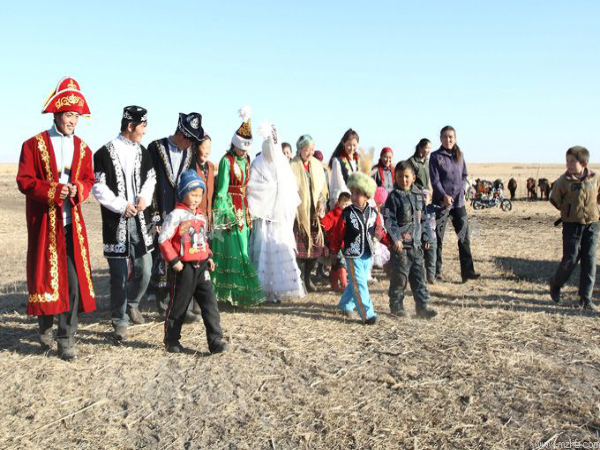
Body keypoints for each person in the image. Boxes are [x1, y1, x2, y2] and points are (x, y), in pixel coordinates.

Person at [16, 76, 96, 360]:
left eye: (77, 116)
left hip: (71, 225)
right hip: (45, 225)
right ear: (57, 113)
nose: (73, 121)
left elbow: (89, 179)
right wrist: (53, 190)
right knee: (47, 279)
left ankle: (66, 339)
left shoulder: (84, 149)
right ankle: (45, 323)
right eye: (69, 115)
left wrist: (78, 189)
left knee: (72, 282)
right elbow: (24, 180)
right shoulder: (32, 145)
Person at [92, 106, 156, 341]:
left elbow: (150, 179)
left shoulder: (143, 153)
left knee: (145, 268)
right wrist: (120, 205)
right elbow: (98, 187)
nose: (144, 131)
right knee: (118, 274)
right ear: (130, 126)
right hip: (115, 222)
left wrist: (144, 198)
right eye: (143, 126)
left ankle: (133, 303)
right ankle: (119, 319)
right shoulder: (102, 154)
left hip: (140, 221)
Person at [158, 170, 228, 353]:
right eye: (193, 194)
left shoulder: (201, 216)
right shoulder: (176, 215)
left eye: (199, 195)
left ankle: (216, 341)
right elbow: (163, 239)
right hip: (184, 268)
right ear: (183, 193)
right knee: (178, 306)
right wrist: (173, 260)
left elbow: (203, 240)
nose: (197, 199)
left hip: (201, 267)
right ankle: (172, 340)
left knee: (210, 304)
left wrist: (209, 256)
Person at [147, 112, 204, 318]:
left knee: (183, 252)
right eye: (189, 139)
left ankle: (181, 305)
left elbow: (191, 182)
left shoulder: (190, 153)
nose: (191, 144)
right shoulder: (155, 148)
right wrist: (155, 216)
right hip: (161, 209)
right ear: (180, 133)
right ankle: (165, 306)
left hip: (182, 212)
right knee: (163, 256)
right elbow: (149, 183)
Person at [211, 106, 265, 305]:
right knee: (233, 251)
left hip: (244, 209)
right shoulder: (226, 161)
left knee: (243, 250)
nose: (244, 151)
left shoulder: (247, 160)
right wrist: (225, 214)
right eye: (241, 147)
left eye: (246, 148)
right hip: (230, 209)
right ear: (234, 144)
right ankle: (227, 294)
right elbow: (221, 191)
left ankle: (241, 293)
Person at [247, 122, 305, 303]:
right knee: (264, 250)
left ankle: (280, 290)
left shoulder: (283, 165)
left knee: (279, 250)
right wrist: (269, 192)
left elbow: (290, 189)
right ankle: (263, 289)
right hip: (265, 218)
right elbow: (252, 188)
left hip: (280, 220)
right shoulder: (257, 163)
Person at [383, 161, 437, 319]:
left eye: (406, 176)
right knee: (399, 279)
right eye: (400, 176)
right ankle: (396, 306)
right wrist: (396, 238)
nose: (403, 180)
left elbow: (424, 218)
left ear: (413, 177)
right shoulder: (393, 197)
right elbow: (389, 220)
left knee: (419, 278)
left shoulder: (419, 195)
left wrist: (426, 236)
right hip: (401, 248)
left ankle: (423, 307)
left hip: (417, 246)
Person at [329, 172, 385, 324]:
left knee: (358, 282)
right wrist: (333, 250)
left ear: (367, 195)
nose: (353, 196)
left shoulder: (373, 213)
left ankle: (345, 305)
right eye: (352, 192)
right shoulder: (346, 213)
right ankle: (367, 314)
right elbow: (338, 234)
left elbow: (379, 231)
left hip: (367, 254)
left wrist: (390, 242)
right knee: (359, 283)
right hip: (352, 255)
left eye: (357, 193)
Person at [549, 146, 600, 311]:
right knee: (570, 259)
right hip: (572, 226)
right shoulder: (563, 181)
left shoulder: (595, 178)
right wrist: (568, 211)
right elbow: (554, 199)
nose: (569, 164)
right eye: (567, 161)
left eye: (573, 161)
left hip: (592, 225)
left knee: (590, 261)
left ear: (584, 163)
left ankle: (585, 299)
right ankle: (556, 283)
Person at [430, 126, 480, 283]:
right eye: (445, 137)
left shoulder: (459, 155)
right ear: (440, 139)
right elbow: (435, 180)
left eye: (450, 137)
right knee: (438, 238)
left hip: (458, 203)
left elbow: (464, 176)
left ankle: (468, 271)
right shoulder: (435, 156)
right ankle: (436, 272)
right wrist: (443, 195)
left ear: (455, 138)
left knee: (464, 236)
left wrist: (463, 190)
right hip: (441, 204)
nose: (448, 140)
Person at [290, 134, 329, 292]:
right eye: (307, 149)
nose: (310, 152)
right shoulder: (292, 166)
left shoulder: (317, 166)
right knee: (300, 251)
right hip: (299, 213)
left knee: (315, 249)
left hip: (314, 214)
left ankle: (308, 277)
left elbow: (322, 189)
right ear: (300, 149)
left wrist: (321, 202)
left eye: (312, 149)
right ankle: (300, 280)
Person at [320, 192, 351, 292]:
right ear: (338, 203)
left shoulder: (350, 215)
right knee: (341, 262)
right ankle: (344, 284)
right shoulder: (332, 214)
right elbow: (326, 224)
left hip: (345, 244)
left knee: (335, 264)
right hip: (334, 243)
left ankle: (334, 285)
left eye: (348, 204)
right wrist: (322, 218)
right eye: (344, 204)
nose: (345, 206)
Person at [328, 128, 360, 210]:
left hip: (357, 201)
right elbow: (340, 185)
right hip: (345, 202)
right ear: (344, 143)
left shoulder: (358, 160)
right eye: (349, 145)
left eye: (354, 145)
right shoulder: (338, 161)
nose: (351, 148)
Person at [194, 134, 215, 231]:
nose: (207, 152)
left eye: (209, 148)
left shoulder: (211, 166)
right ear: (196, 148)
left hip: (209, 219)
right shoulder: (191, 166)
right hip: (195, 218)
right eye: (204, 148)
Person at [422, 189, 438, 284]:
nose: (423, 199)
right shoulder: (418, 210)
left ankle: (431, 277)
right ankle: (422, 278)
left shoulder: (433, 208)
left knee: (431, 260)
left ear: (430, 199)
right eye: (421, 197)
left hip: (432, 238)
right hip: (421, 239)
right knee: (421, 260)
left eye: (425, 197)